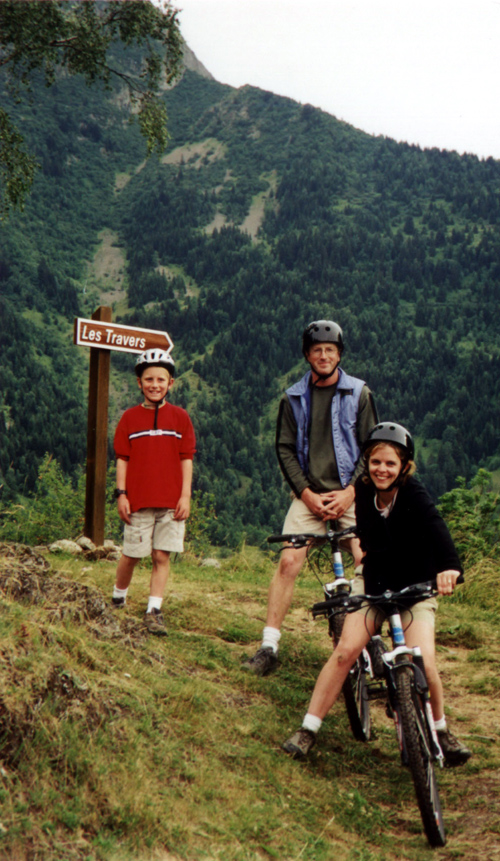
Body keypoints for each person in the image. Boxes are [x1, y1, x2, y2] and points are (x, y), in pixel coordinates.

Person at [282, 422, 472, 766]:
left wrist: (449, 567)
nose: (382, 470)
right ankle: (308, 729)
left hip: (415, 589)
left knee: (424, 661)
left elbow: (436, 528)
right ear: (367, 464)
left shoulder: (413, 494)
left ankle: (441, 729)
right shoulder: (364, 494)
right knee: (345, 652)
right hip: (374, 585)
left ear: (404, 468)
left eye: (390, 464)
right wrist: (365, 584)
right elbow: (368, 545)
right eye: (375, 462)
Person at [243, 320, 377, 675]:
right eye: (317, 350)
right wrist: (306, 493)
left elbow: (372, 449)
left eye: (330, 350)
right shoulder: (293, 397)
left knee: (368, 558)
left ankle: (374, 641)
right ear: (307, 355)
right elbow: (284, 449)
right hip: (309, 497)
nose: (323, 355)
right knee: (288, 563)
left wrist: (352, 492)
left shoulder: (359, 393)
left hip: (351, 494)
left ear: (339, 354)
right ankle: (268, 646)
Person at [111, 349, 196, 635]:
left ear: (171, 383)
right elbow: (123, 458)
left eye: (161, 379)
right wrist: (121, 494)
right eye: (149, 379)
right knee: (132, 553)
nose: (155, 384)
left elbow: (187, 458)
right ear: (139, 383)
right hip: (138, 500)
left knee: (162, 555)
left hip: (171, 501)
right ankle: (118, 597)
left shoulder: (180, 417)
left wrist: (185, 496)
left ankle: (153, 609)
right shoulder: (129, 419)